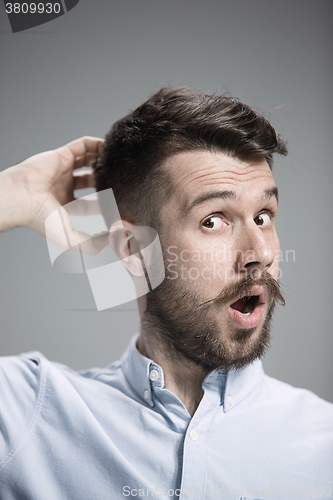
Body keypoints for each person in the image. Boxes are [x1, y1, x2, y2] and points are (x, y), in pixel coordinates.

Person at [0, 87, 332, 499]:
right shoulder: (27, 413)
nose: (259, 254)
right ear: (131, 249)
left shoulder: (325, 445)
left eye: (263, 216)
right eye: (214, 220)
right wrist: (13, 193)